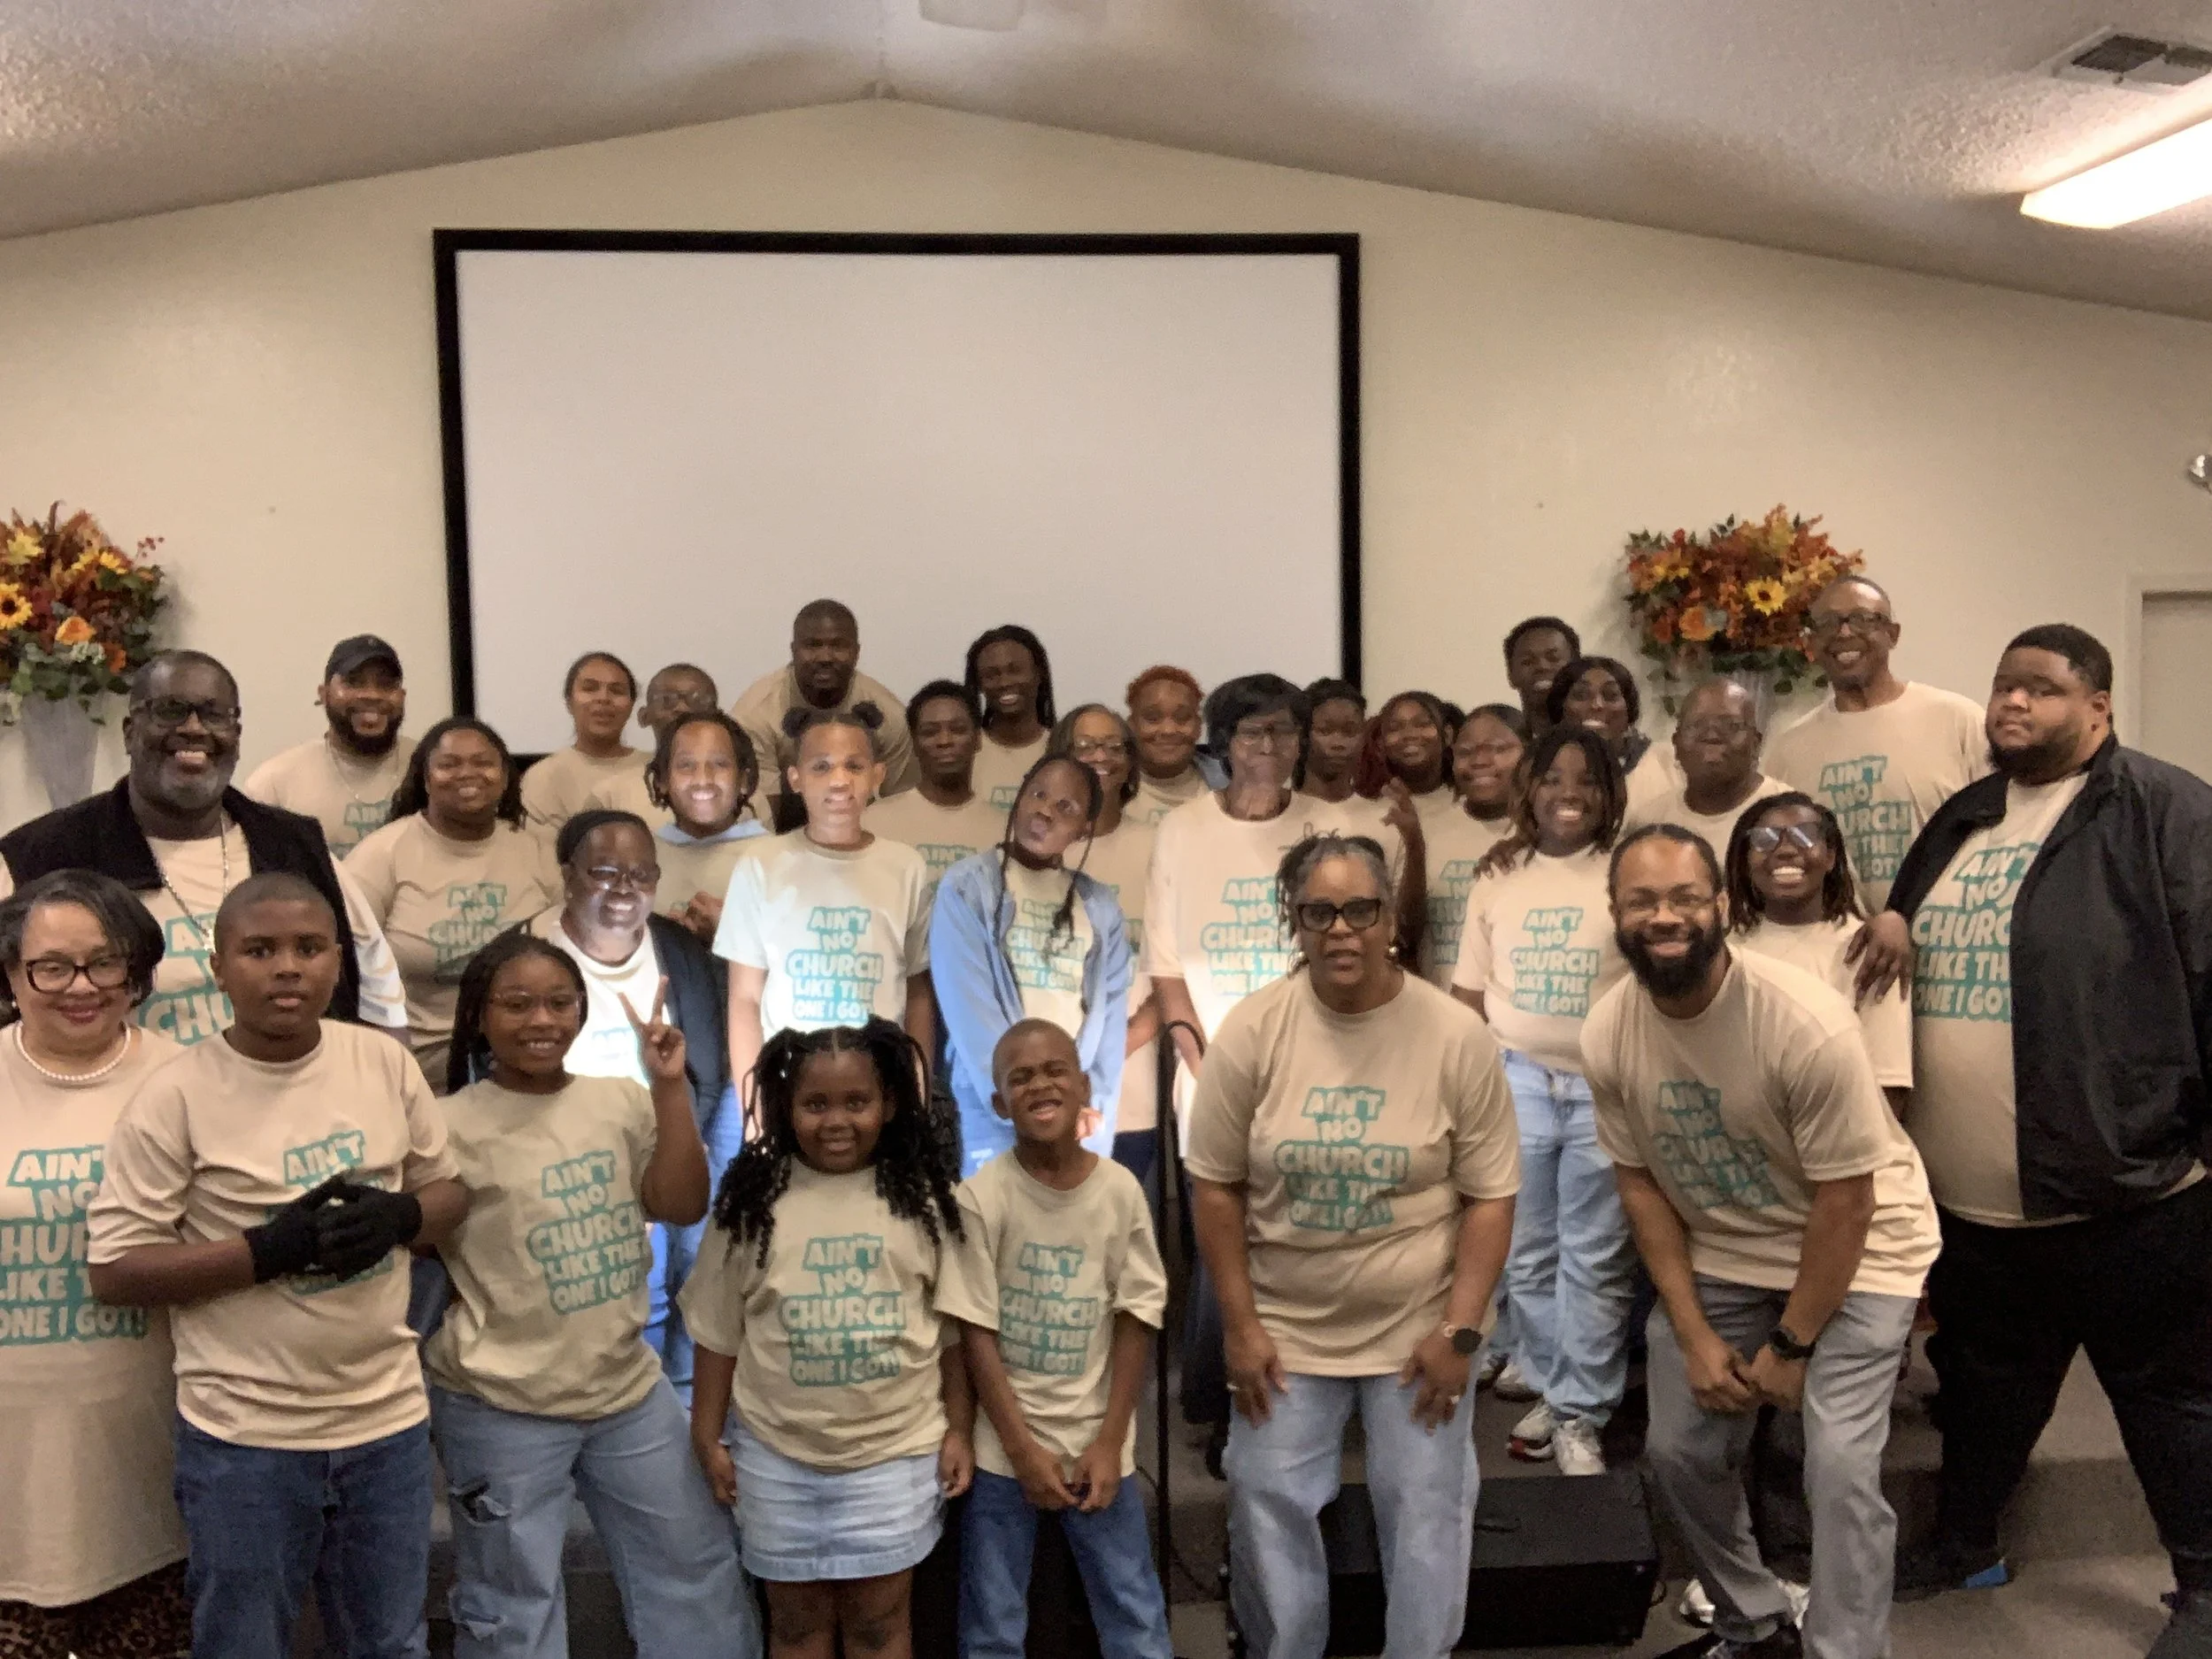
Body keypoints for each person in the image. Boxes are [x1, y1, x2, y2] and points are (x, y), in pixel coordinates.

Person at [1850, 627, 2212, 1654]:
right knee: (1983, 1392)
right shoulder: (1964, 815)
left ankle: (2203, 1591)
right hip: (1972, 1203)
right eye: (2003, 686)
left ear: (2098, 708)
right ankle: (1967, 1544)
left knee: (2168, 1403)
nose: (2012, 703)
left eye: (2041, 689)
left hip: (2127, 1192)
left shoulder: (2164, 811)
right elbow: (1899, 937)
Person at [87, 872, 468, 1659]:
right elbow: (117, 1271)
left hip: (386, 1422)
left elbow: (450, 1192)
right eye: (259, 950)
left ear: (338, 960)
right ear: (220, 968)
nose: (287, 967)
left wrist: (400, 1217)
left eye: (308, 947)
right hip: (244, 1437)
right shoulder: (174, 1094)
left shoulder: (383, 1062)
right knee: (243, 1643)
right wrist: (266, 1252)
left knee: (391, 1643)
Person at [1587, 825, 1939, 1659]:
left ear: (1721, 904)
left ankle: (1845, 1650)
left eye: (1684, 896)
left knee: (1839, 1466)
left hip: (1867, 1248)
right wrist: (1693, 1332)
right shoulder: (1609, 1030)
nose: (1664, 916)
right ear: (1615, 913)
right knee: (1679, 1447)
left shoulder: (1802, 1022)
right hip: (1731, 1248)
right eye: (1642, 900)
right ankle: (1752, 1625)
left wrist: (1791, 1344)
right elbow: (1640, 1185)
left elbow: (1848, 1202)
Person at [1187, 833, 1519, 1659]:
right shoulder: (1253, 1030)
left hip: (1421, 1326)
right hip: (1286, 1326)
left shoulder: (1454, 1034)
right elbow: (1216, 1187)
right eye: (1319, 912)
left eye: (1361, 909)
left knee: (1427, 1507)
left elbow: (1490, 1196)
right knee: (1266, 1495)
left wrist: (1460, 1333)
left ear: (1391, 920)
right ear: (1295, 923)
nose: (1341, 929)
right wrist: (1239, 1326)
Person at [426, 933, 757, 1659]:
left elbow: (681, 1201)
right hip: (501, 1401)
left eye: (559, 1002)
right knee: (512, 1607)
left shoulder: (619, 1099)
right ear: (479, 1015)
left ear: (581, 1011)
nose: (541, 1019)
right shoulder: (445, 1124)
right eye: (517, 1003)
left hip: (625, 1389)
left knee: (696, 1569)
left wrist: (668, 1085)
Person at [681, 1021, 973, 1659]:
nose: (836, 1120)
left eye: (856, 1102)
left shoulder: (925, 1201)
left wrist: (959, 1430)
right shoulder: (751, 1205)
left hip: (894, 1452)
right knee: (795, 1624)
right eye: (815, 1104)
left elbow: (953, 1335)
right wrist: (707, 1435)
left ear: (888, 1104)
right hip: (776, 1457)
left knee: (879, 1622)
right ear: (786, 1108)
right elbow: (716, 1331)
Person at [0, 650, 409, 1048]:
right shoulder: (40, 857)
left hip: (290, 1088)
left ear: (236, 737)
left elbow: (378, 985)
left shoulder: (293, 845)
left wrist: (387, 1076)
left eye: (215, 715)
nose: (195, 728)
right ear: (129, 732)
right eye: (170, 710)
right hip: (122, 1092)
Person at [0, 872, 190, 1659]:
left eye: (103, 962)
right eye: (51, 966)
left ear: (135, 970)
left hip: (148, 1454)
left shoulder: (191, 1080)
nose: (80, 986)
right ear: (12, 973)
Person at [941, 1020, 1172, 1659]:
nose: (1040, 1084)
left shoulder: (1120, 1191)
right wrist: (1020, 1448)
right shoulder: (980, 1198)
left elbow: (1137, 1315)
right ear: (998, 1103)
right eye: (1020, 1077)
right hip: (1002, 1451)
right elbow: (975, 1331)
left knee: (1134, 1613)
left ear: (1085, 1086)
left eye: (1054, 1070)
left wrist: (1109, 1439)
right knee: (992, 1623)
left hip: (1098, 1444)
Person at [1450, 725, 1633, 1472]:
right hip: (1515, 1078)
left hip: (1603, 1085)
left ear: (1609, 793)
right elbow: (1468, 993)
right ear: (1528, 789)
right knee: (1523, 1252)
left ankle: (1580, 1411)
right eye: (1552, 778)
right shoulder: (1498, 874)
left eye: (1585, 779)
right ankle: (1559, 1388)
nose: (1568, 793)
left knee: (1593, 1255)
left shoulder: (1627, 867)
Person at [515, 809, 733, 1390]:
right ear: (568, 874)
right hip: (562, 1166)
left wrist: (671, 1152)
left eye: (641, 875)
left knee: (693, 1279)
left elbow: (708, 1071)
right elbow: (491, 1073)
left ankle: (675, 1405)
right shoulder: (522, 952)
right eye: (605, 873)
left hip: (668, 1146)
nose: (624, 889)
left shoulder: (678, 951)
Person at [714, 706, 934, 1110]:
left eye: (854, 766)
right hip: (785, 1083)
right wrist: (753, 1109)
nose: (839, 780)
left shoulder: (906, 866)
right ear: (794, 779)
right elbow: (744, 997)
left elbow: (918, 990)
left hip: (880, 1084)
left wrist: (916, 1091)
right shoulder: (760, 863)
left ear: (877, 776)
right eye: (821, 766)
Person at [932, 755, 1131, 1175]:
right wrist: (1026, 1103)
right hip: (996, 1110)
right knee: (996, 1214)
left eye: (1065, 807)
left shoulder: (1099, 906)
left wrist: (1085, 1105)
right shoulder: (967, 887)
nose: (1045, 811)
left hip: (1077, 1118)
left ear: (1084, 829)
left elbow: (1110, 1025)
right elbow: (969, 1010)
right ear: (1020, 795)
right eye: (1038, 794)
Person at [1148, 675, 1340, 1089]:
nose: (1269, 745)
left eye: (1283, 730)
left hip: (1314, 1072)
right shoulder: (1181, 829)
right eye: (1252, 732)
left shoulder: (1329, 824)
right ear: (1224, 742)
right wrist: (1209, 1074)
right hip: (1209, 1073)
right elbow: (1166, 971)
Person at [347, 717, 562, 1087]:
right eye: (449, 764)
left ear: (505, 777)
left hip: (526, 1065)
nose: (467, 773)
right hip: (416, 1072)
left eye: (483, 762)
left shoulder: (538, 850)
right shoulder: (381, 855)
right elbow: (348, 973)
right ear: (426, 779)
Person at [1763, 577, 1986, 912]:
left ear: (1892, 634)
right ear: (1811, 642)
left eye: (1862, 619)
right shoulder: (1788, 749)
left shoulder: (1958, 721)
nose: (1844, 633)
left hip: (1946, 931)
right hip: (1840, 939)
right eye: (1829, 623)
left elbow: (1999, 832)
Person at [1725, 795, 1909, 1106]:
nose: (1785, 849)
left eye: (1805, 835)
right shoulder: (1723, 952)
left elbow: (1888, 1086)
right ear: (1745, 862)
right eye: (1765, 839)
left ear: (1831, 857)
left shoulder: (1871, 950)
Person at [1048, 704, 1164, 1182]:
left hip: (1132, 1071)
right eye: (1086, 746)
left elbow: (1172, 966)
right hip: (1050, 1071)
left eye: (1114, 746)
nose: (1101, 756)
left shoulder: (1160, 843)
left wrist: (1117, 1048)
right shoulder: (1039, 848)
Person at [732, 599, 919, 817]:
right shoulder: (756, 713)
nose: (825, 657)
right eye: (813, 645)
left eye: (838, 645)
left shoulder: (889, 715)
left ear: (857, 652)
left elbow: (900, 806)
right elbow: (762, 814)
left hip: (861, 822)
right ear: (793, 650)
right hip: (783, 822)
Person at [242, 634, 415, 858]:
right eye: (354, 682)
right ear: (323, 694)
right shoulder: (273, 785)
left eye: (386, 685)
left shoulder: (434, 768)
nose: (372, 695)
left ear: (402, 696)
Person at [863, 681, 1007, 900]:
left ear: (978, 739)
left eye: (957, 730)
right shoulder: (873, 822)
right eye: (930, 732)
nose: (944, 741)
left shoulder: (1005, 830)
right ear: (914, 742)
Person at [1419, 704, 1525, 990]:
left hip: (1512, 1008)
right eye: (1465, 752)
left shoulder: (1544, 836)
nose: (1479, 761)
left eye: (1499, 748)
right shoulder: (1427, 831)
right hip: (1439, 1004)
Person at [643, 710, 768, 943]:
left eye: (720, 764)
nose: (703, 779)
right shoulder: (644, 856)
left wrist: (728, 933)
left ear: (743, 780)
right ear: (662, 781)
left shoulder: (775, 858)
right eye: (686, 765)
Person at [1625, 680, 1783, 853]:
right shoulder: (1647, 823)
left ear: (1756, 743)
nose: (1712, 736)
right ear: (1676, 744)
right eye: (1696, 725)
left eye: (1730, 725)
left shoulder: (1788, 815)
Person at [582, 662, 729, 827]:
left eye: (697, 701)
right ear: (644, 716)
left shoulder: (742, 793)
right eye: (667, 700)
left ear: (718, 716)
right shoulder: (611, 795)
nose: (682, 709)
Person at [522, 652, 642, 841]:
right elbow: (544, 852)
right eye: (590, 688)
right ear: (569, 701)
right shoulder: (545, 776)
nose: (604, 698)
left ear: (631, 705)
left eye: (617, 691)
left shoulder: (657, 768)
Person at [1548, 654, 1676, 824]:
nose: (1597, 705)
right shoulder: (1541, 770)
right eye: (1581, 695)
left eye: (1611, 695)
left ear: (1629, 709)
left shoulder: (1669, 760)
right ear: (1560, 707)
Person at [965, 625, 1056, 812]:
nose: (1005, 682)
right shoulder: (964, 754)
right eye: (991, 675)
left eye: (1015, 670)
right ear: (979, 683)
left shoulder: (1063, 750)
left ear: (1039, 674)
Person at [1125, 665, 1214, 828]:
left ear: (1199, 726)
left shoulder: (1230, 784)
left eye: (1182, 717)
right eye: (1152, 718)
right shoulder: (1108, 790)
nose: (1168, 730)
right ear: (1131, 725)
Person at [1297, 680, 1376, 823]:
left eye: (1350, 731)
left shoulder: (1381, 817)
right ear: (1302, 736)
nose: (1338, 743)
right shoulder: (1277, 814)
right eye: (1325, 731)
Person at [1504, 616, 1581, 737]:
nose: (1542, 667)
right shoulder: (1503, 745)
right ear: (1511, 674)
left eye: (1553, 658)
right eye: (1528, 661)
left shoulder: (1600, 739)